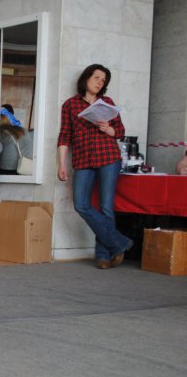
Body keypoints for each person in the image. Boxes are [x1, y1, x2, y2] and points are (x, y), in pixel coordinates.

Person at [57, 63, 131, 269]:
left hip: (108, 157)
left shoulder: (107, 103)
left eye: (103, 80)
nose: (100, 82)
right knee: (81, 204)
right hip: (83, 160)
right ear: (86, 78)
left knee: (106, 207)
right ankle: (119, 243)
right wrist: (61, 164)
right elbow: (64, 136)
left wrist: (109, 129)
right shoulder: (70, 105)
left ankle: (103, 256)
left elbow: (120, 131)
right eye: (97, 77)